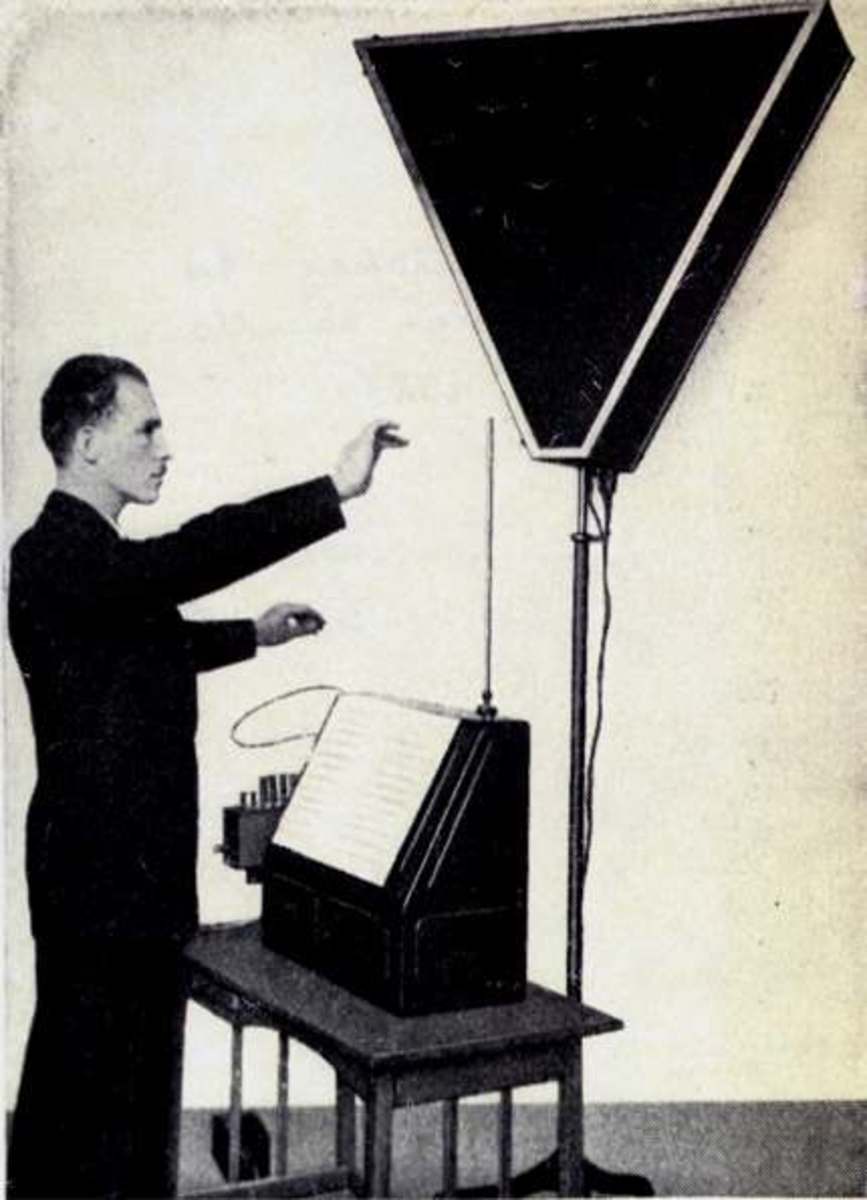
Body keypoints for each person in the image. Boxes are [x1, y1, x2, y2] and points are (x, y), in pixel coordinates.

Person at [6, 354, 405, 1199]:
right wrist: (330, 490)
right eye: (144, 427)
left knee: (127, 1110)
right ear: (86, 442)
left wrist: (255, 634)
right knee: (88, 1110)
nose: (164, 447)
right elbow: (181, 562)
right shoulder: (54, 554)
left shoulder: (94, 566)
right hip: (99, 889)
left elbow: (148, 644)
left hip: (125, 885)